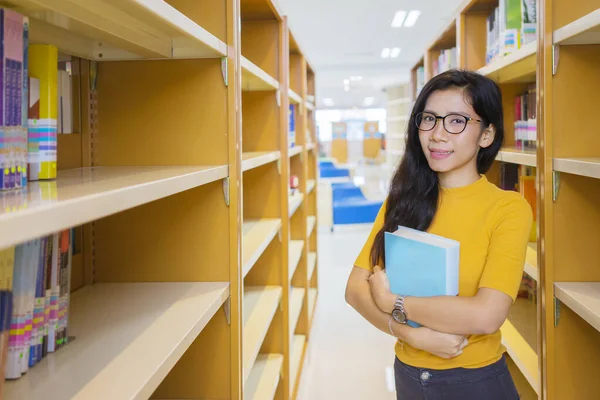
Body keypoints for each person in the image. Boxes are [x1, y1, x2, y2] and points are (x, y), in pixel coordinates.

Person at [345, 69, 533, 399]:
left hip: (475, 380)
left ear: (486, 135)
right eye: (429, 119)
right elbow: (355, 290)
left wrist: (392, 301)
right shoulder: (401, 200)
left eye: (456, 121)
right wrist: (413, 336)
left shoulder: (508, 208)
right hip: (408, 375)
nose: (437, 134)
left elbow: (486, 315)